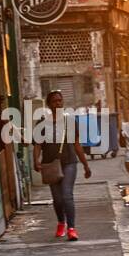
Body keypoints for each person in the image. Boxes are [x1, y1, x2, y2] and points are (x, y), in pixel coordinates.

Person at [33, 90, 91, 240]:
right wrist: (36, 160)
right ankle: (61, 223)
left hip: (69, 162)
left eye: (60, 100)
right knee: (57, 199)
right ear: (49, 104)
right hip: (50, 165)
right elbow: (38, 145)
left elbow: (77, 145)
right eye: (54, 101)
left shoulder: (70, 122)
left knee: (66, 195)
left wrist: (85, 165)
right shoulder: (42, 124)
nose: (58, 103)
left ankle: (71, 228)